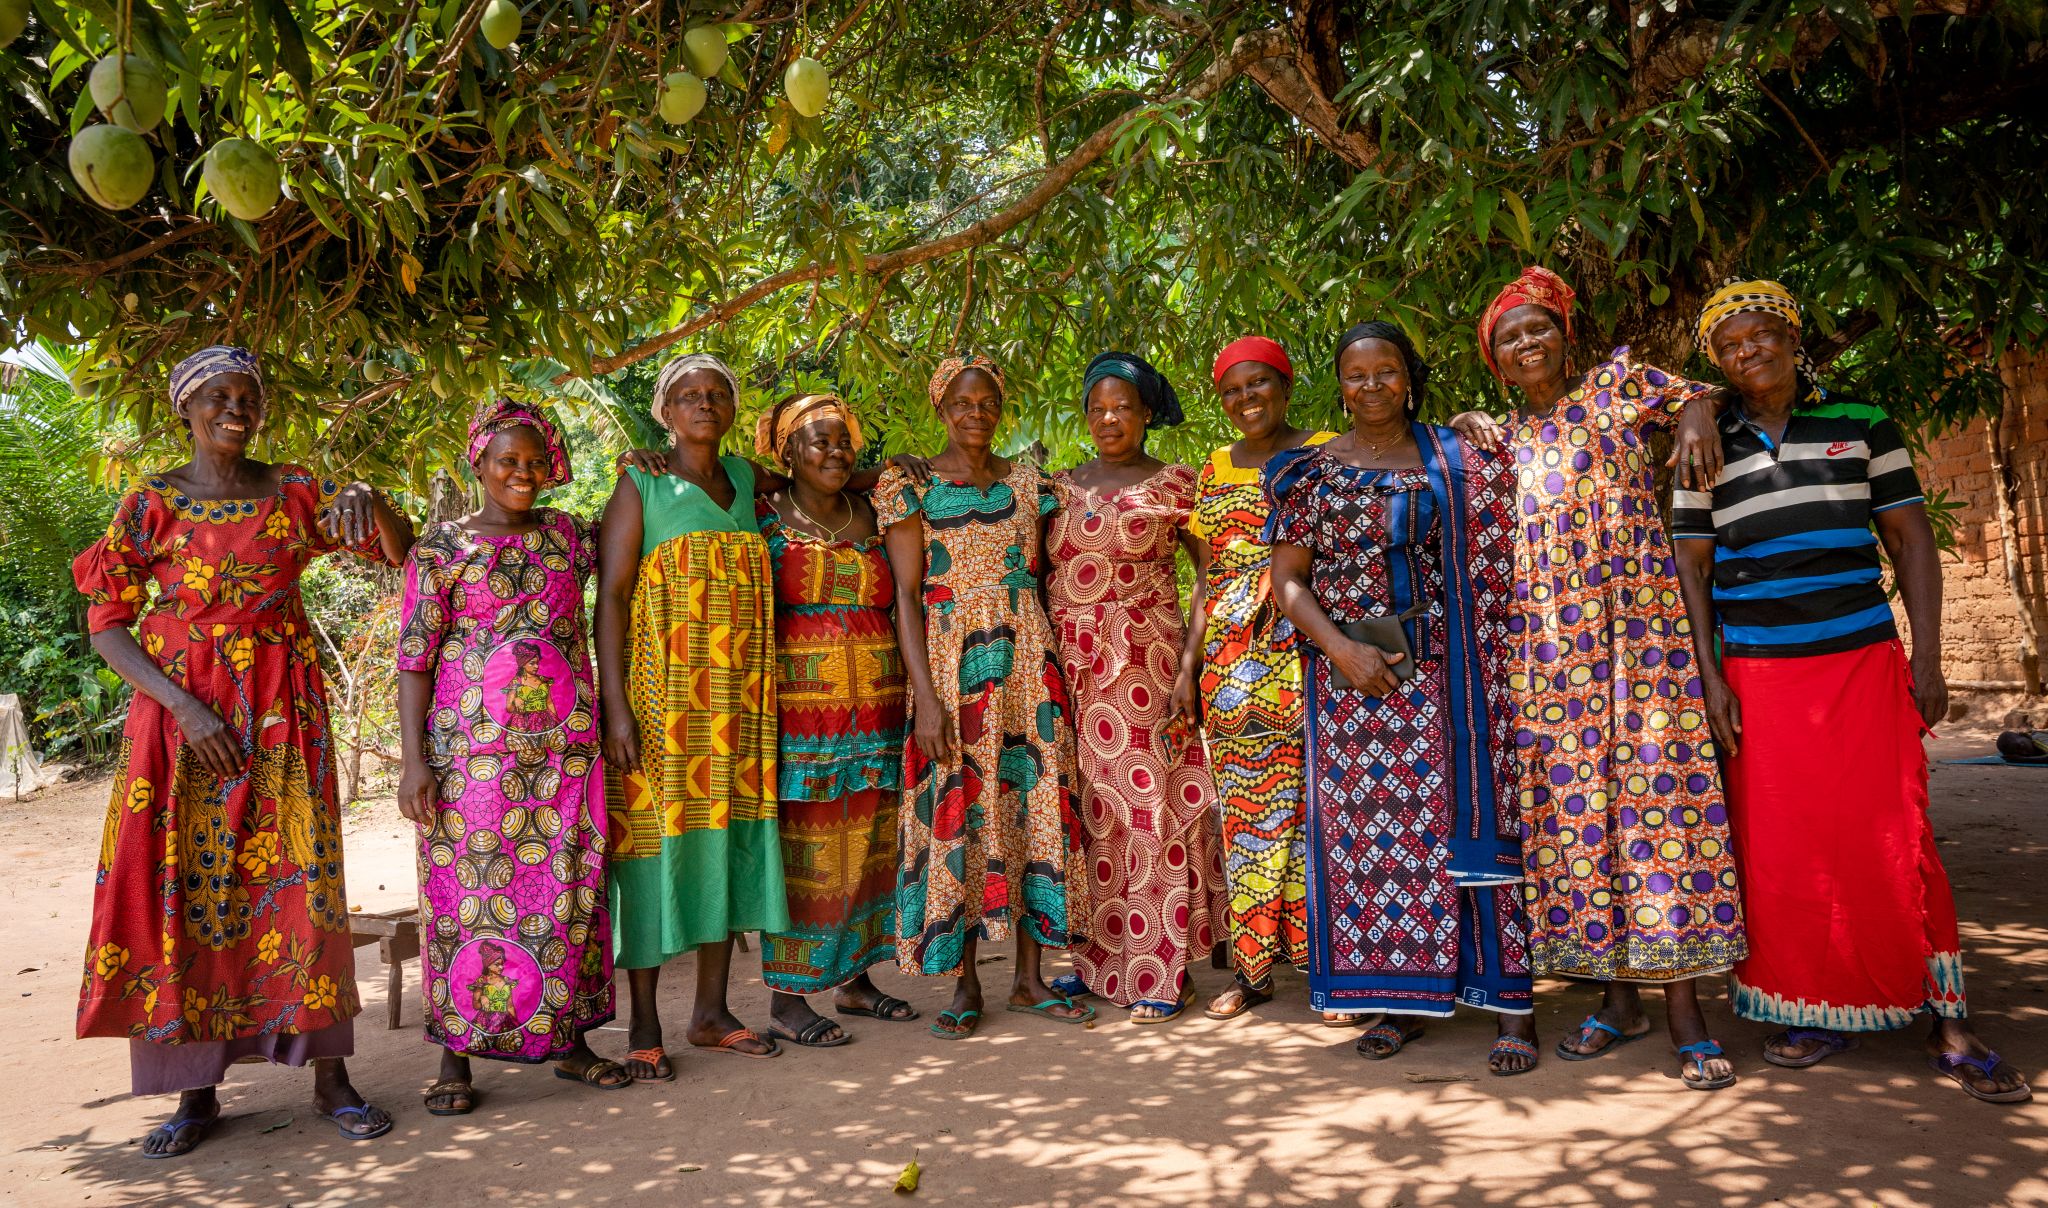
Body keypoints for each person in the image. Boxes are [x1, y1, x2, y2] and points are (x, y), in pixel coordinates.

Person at [1673, 279, 2031, 1104]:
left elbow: (1910, 540)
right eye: (1728, 347)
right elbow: (1693, 566)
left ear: (1795, 340)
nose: (1746, 353)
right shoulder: (1704, 444)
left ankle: (1948, 1014)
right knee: (1784, 846)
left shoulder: (1863, 426)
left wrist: (1929, 657)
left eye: (1761, 337)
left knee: (1898, 831)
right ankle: (1814, 1009)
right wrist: (1711, 675)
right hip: (1758, 673)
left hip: (1861, 662)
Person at [72, 345, 412, 1157]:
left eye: (248, 396)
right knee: (193, 890)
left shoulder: (298, 489)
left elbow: (398, 554)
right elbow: (106, 624)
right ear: (185, 410)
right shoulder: (149, 501)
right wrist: (186, 710)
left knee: (303, 885)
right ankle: (196, 1094)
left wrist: (371, 496)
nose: (236, 408)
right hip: (182, 723)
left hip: (283, 714)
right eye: (217, 396)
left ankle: (331, 1080)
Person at [1459, 266, 1744, 1090]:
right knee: (1581, 821)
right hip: (1549, 653)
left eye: (1536, 328)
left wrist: (1692, 418)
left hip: (1640, 635)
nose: (1526, 344)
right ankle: (1619, 1000)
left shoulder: (1619, 383)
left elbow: (1699, 392)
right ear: (1496, 360)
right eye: (1509, 338)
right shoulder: (1502, 438)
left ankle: (1685, 1010)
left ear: (1564, 333)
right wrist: (1467, 419)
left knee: (1659, 802)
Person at [1265, 322, 1539, 1074]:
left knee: (1475, 823)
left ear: (1409, 377)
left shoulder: (1460, 454)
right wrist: (1341, 649)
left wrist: (1465, 426)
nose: (1372, 386)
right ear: (1340, 386)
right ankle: (1399, 1001)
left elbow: (1545, 457)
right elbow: (1287, 580)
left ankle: (1510, 1006)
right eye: (1356, 375)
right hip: (1354, 684)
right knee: (1375, 841)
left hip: (1457, 679)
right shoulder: (1310, 475)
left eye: (1387, 372)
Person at [395, 398, 626, 1114]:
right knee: (468, 895)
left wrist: (636, 469)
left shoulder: (567, 538)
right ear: (480, 464)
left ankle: (573, 1043)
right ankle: (454, 1057)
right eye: (507, 462)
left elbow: (623, 556)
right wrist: (412, 761)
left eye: (533, 463)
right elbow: (413, 659)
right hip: (472, 761)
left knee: (569, 887)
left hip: (564, 758)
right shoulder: (440, 551)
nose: (522, 474)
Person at [876, 354, 1092, 1039]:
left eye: (988, 401)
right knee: (960, 813)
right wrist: (928, 701)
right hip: (947, 667)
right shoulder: (907, 487)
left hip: (1029, 665)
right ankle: (965, 982)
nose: (977, 413)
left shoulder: (1032, 485)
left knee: (1032, 809)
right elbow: (906, 599)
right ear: (941, 408)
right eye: (963, 402)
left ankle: (1029, 980)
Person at [596, 352, 789, 1076]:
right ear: (664, 412)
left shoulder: (745, 480)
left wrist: (897, 469)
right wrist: (617, 710)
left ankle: (711, 1012)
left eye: (716, 394)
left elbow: (815, 476)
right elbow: (611, 599)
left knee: (730, 843)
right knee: (649, 849)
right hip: (663, 702)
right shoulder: (640, 482)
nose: (704, 404)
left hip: (738, 703)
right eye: (687, 395)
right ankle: (644, 1021)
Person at [1043, 352, 1228, 1024]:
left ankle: (1161, 967)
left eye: (1122, 407)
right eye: (1097, 408)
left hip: (1146, 666)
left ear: (1146, 413)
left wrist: (1188, 668)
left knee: (1152, 808)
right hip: (1072, 667)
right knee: (1095, 814)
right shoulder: (1059, 487)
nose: (1108, 418)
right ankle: (1102, 965)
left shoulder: (1176, 484)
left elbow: (1208, 574)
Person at [1180, 337, 1342, 1023]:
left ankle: (1331, 971)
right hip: (1232, 661)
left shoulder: (1331, 449)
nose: (1247, 400)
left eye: (1259, 385)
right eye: (1233, 391)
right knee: (1247, 814)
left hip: (1314, 646)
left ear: (1285, 384)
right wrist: (1189, 665)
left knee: (1317, 811)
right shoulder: (1213, 470)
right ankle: (1251, 972)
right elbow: (1205, 577)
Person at [751, 393, 919, 1047]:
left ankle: (855, 980)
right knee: (806, 854)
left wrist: (867, 474)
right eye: (817, 441)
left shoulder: (874, 511)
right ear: (786, 450)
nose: (834, 452)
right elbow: (731, 471)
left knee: (872, 848)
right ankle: (788, 996)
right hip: (802, 718)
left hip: (877, 707)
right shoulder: (761, 513)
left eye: (844, 441)